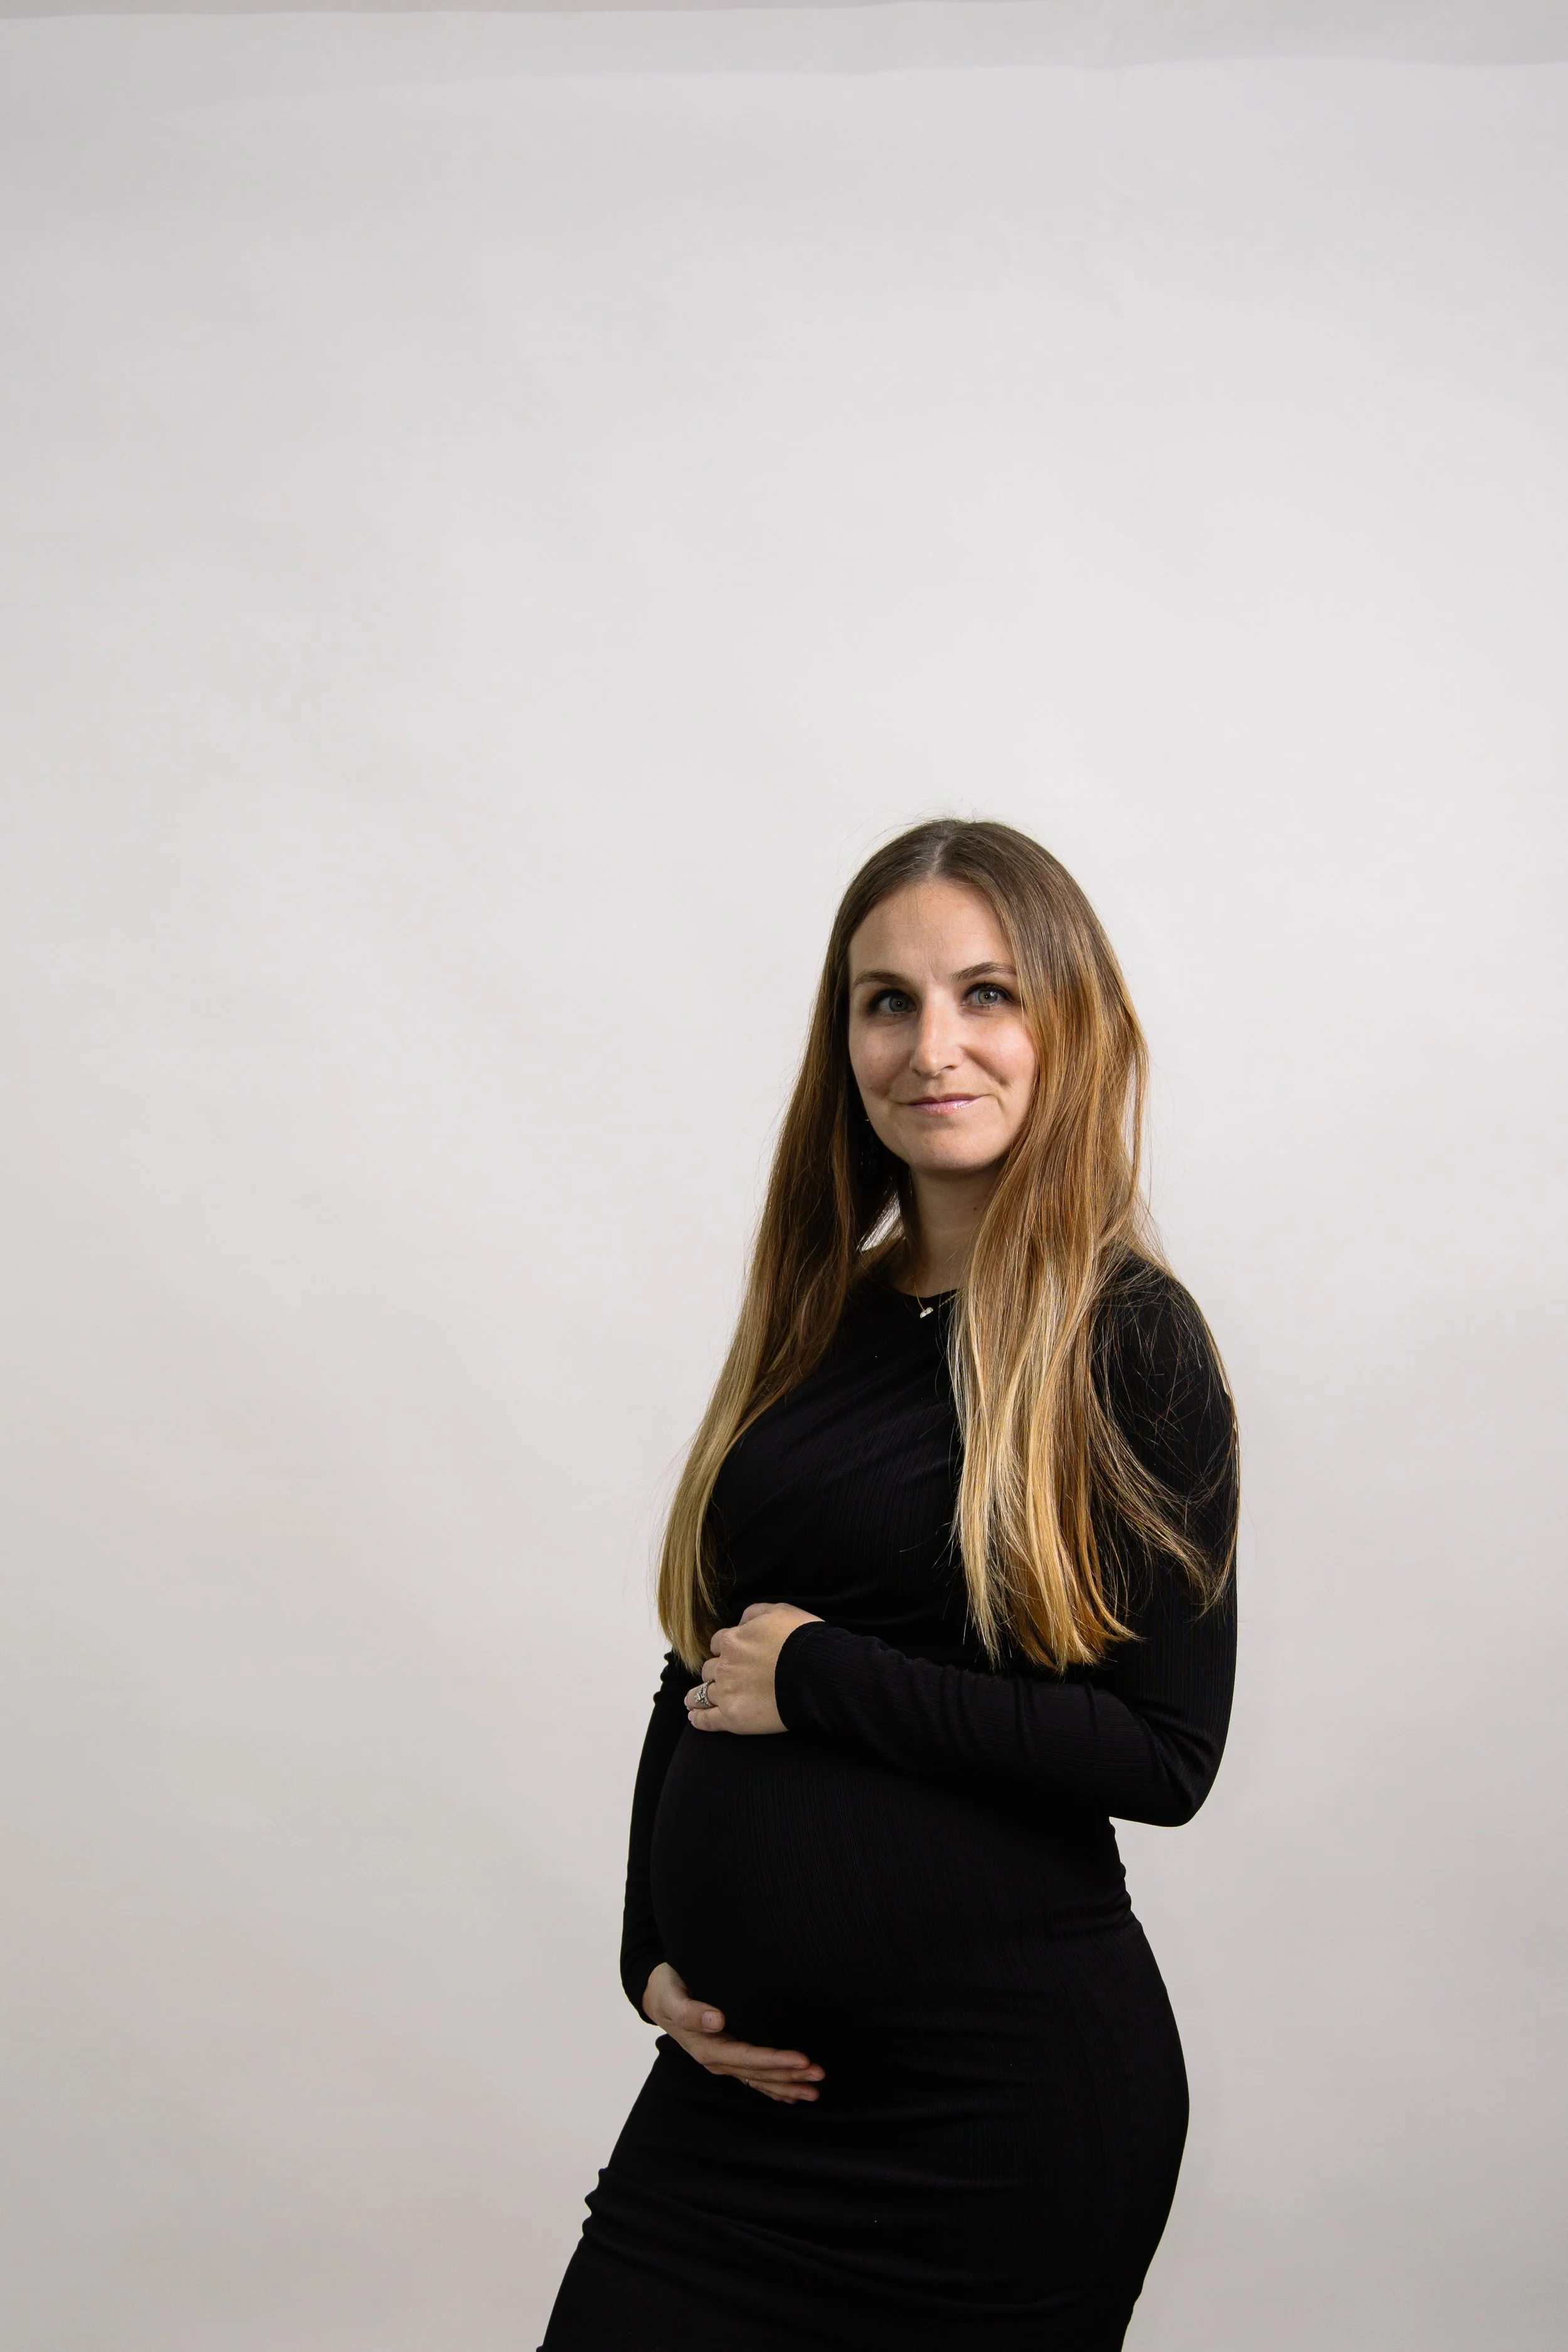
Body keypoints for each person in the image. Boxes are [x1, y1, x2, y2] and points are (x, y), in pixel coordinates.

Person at [540, 817, 1238, 2351]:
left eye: (987, 994)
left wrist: (826, 1681)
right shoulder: (821, 1319)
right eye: (887, 1001)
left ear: (1067, 1023)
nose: (935, 1045)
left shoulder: (1125, 1340)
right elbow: (705, 1659)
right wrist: (646, 1950)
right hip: (735, 2124)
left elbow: (1163, 1755)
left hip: (994, 2126)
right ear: (842, 1036)